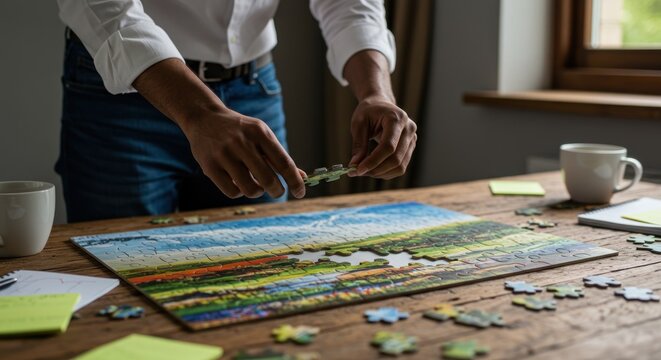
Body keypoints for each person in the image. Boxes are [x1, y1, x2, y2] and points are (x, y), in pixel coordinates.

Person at [56, 0, 417, 222]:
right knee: (119, 263)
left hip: (252, 85)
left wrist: (376, 93)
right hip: (125, 90)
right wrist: (200, 113)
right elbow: (103, 5)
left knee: (266, 266)